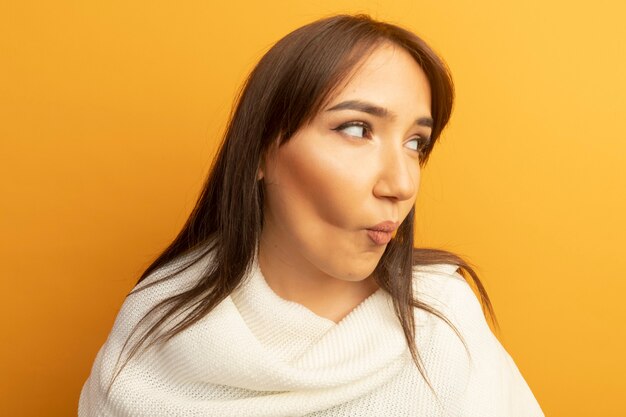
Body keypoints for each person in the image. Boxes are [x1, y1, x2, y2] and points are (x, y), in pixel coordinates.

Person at [78, 13, 544, 417]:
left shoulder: (443, 318)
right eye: (357, 129)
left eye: (415, 143)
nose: (401, 185)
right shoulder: (155, 328)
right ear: (261, 149)